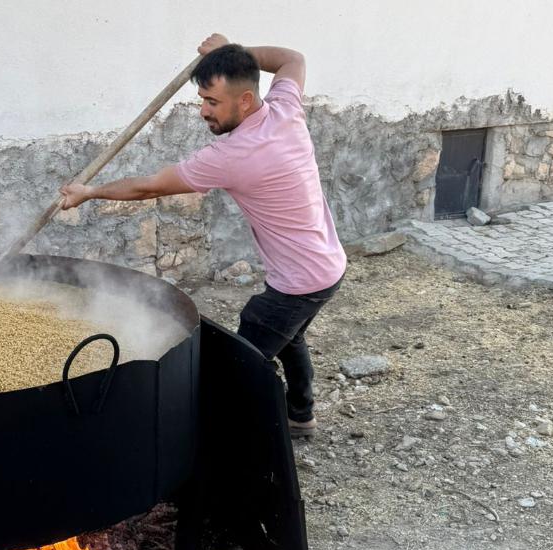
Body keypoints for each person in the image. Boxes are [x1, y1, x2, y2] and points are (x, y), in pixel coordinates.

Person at [61, 34, 346, 437]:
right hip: (328, 266)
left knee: (238, 362)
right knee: (290, 337)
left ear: (244, 100)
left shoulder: (235, 156)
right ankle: (300, 414)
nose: (203, 111)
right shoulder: (285, 109)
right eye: (202, 100)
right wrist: (234, 54)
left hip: (299, 283)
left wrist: (89, 192)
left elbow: (148, 187)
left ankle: (233, 443)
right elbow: (292, 59)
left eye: (212, 102)